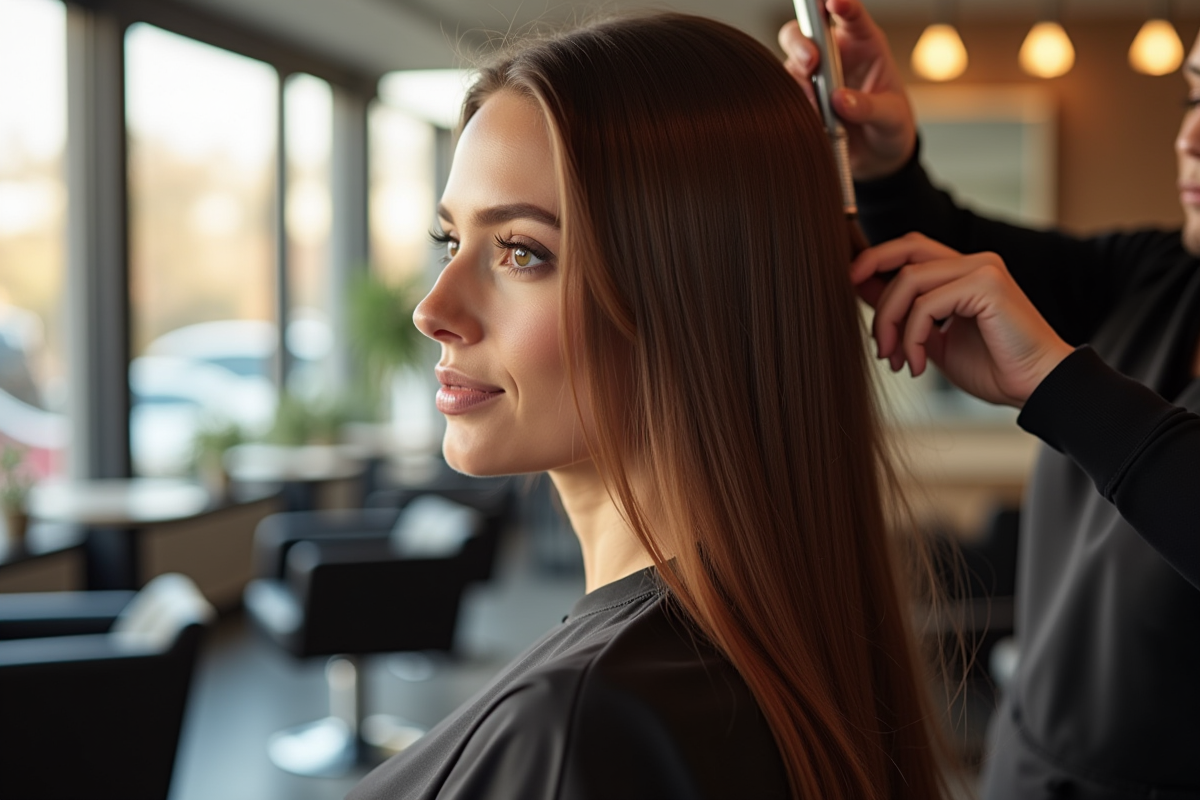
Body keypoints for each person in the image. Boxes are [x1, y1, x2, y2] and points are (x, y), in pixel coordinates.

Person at [350, 13, 956, 800]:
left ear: (691, 296)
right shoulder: (757, 653)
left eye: (522, 252)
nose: (432, 308)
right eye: (449, 242)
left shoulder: (579, 725)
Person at [780, 3, 1200, 799]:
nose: (1189, 138)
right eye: (1192, 97)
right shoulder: (1155, 276)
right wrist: (883, 165)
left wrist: (1059, 381)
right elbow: (952, 255)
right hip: (1025, 767)